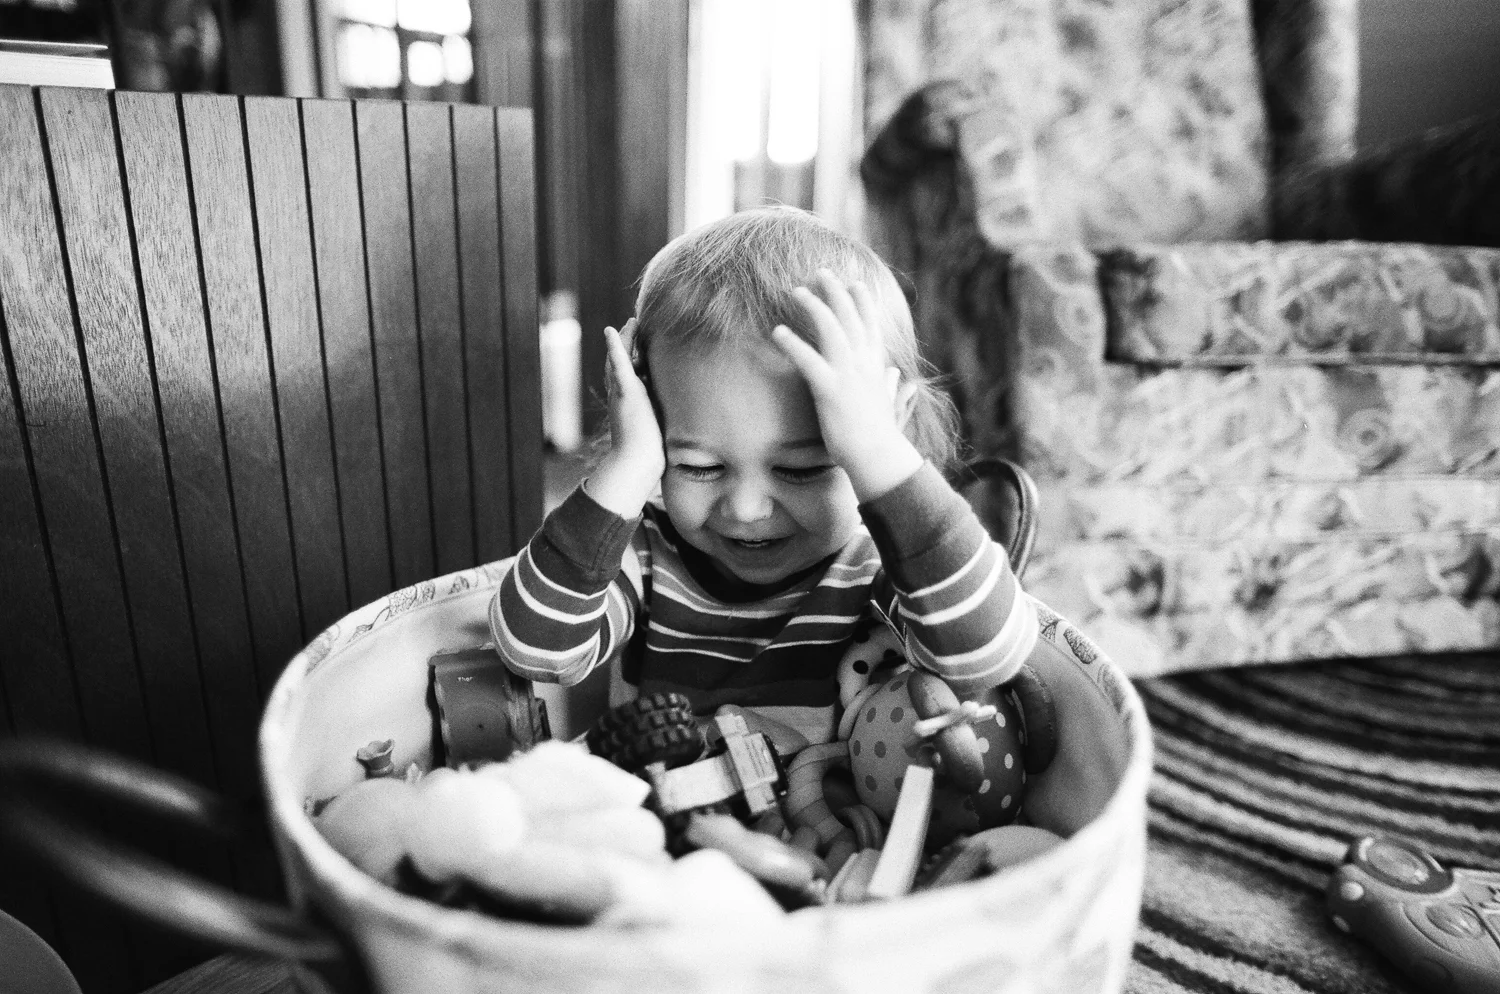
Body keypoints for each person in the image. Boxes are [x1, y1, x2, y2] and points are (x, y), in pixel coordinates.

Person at [489, 206, 1038, 749]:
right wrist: (629, 463)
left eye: (801, 470)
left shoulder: (879, 568)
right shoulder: (649, 556)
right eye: (699, 467)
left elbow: (986, 657)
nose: (746, 509)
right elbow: (535, 650)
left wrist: (879, 451)